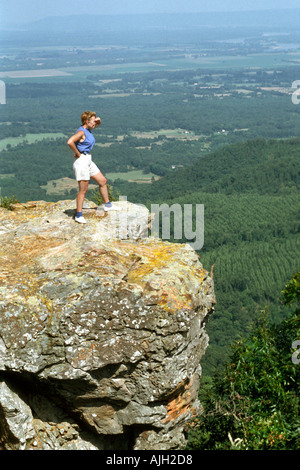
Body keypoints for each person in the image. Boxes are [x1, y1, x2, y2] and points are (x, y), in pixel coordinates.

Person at [67, 110, 119, 224]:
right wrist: (78, 152)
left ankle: (107, 205)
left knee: (102, 181)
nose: (95, 124)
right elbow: (70, 141)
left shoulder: (88, 129)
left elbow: (96, 123)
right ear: (86, 121)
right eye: (92, 121)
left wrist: (96, 119)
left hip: (88, 160)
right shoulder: (81, 132)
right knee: (83, 190)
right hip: (82, 161)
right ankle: (79, 215)